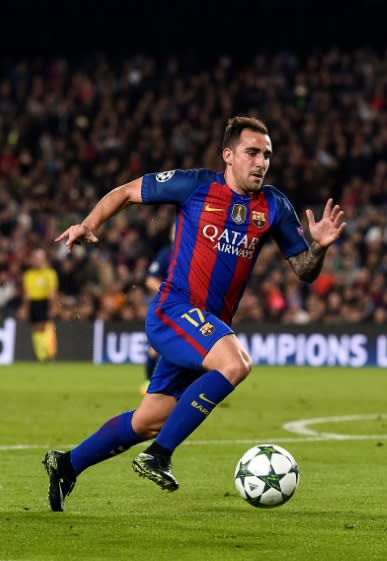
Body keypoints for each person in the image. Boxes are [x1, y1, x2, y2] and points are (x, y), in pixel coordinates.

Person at [43, 116, 346, 512]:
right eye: (252, 152)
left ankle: (67, 465)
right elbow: (126, 192)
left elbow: (304, 271)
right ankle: (159, 456)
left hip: (206, 329)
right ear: (229, 155)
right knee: (236, 364)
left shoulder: (273, 205)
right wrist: (88, 223)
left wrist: (319, 247)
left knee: (149, 420)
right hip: (175, 310)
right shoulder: (195, 185)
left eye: (267, 155)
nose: (261, 162)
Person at [141, 226, 174, 395]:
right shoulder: (167, 253)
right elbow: (150, 280)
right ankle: (148, 382)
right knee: (155, 348)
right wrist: (170, 292)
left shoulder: (197, 252)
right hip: (169, 306)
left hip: (192, 307)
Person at [20, 248, 58, 362]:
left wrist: (52, 306)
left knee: (45, 326)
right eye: (35, 258)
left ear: (44, 260)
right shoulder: (28, 274)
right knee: (36, 328)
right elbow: (26, 294)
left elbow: (53, 292)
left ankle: (50, 353)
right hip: (33, 303)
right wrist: (25, 308)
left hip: (45, 301)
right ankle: (41, 356)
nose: (37, 261)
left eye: (39, 258)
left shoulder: (50, 273)